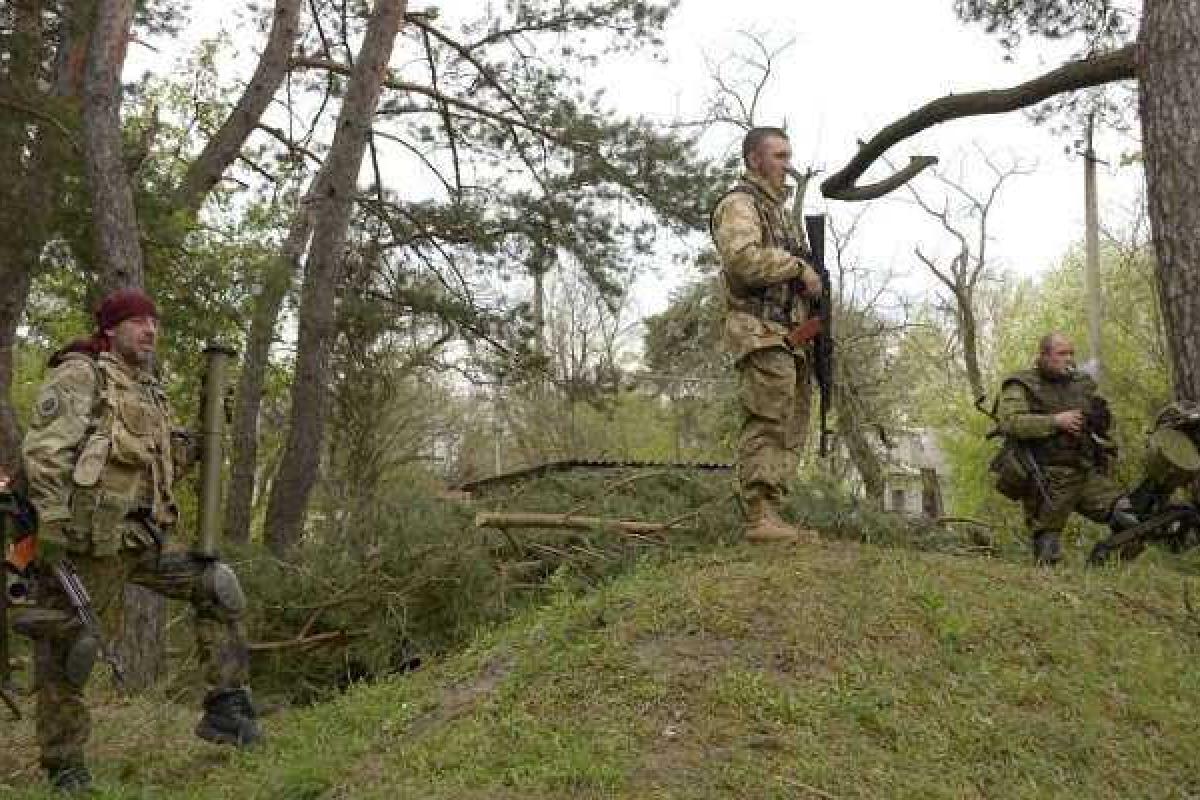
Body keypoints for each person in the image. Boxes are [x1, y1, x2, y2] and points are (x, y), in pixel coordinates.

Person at [18, 288, 261, 792]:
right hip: (89, 542)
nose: (149, 330)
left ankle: (225, 711)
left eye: (153, 321)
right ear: (110, 330)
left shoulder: (149, 390)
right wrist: (55, 525)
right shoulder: (80, 376)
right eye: (136, 322)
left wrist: (206, 433)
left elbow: (160, 466)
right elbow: (44, 453)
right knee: (72, 647)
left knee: (218, 586)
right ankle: (64, 764)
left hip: (144, 537)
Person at [710, 127, 824, 544]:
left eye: (788, 155)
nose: (787, 165)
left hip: (783, 333)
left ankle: (771, 511)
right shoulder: (740, 203)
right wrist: (796, 268)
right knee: (767, 417)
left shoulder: (775, 212)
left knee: (786, 422)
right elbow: (742, 260)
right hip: (758, 330)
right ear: (754, 160)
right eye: (778, 156)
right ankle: (759, 516)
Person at [994, 332, 1137, 565]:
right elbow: (1011, 423)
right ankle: (1049, 591)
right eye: (1062, 353)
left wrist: (1100, 418)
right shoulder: (1021, 384)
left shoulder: (1081, 384)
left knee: (1131, 520)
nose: (1069, 359)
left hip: (1085, 473)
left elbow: (1101, 427)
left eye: (1071, 353)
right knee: (1048, 553)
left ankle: (1103, 572)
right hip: (1048, 479)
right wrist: (1056, 421)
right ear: (1043, 356)